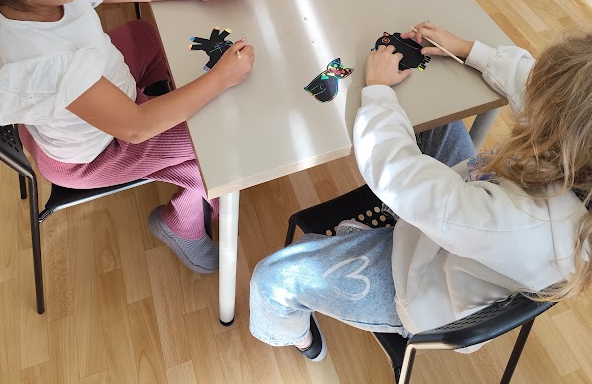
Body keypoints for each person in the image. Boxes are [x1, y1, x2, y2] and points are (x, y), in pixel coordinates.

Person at [249, 22, 592, 361]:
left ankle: (297, 337)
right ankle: (387, 226)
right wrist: (467, 49)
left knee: (272, 279)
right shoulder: (577, 154)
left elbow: (395, 172)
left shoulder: (517, 222)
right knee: (440, 120)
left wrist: (378, 91)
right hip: (460, 226)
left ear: (561, 131)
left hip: (420, 290)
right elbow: (539, 86)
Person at [0, 0, 255, 274]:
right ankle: (180, 225)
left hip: (100, 91)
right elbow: (136, 128)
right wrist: (221, 78)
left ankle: (173, 121)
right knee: (216, 140)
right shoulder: (47, 60)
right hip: (96, 153)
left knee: (143, 33)